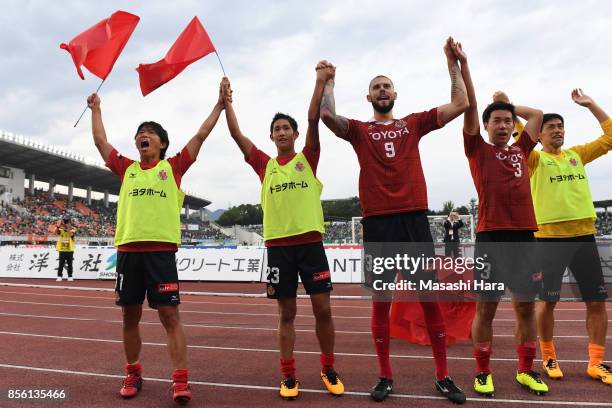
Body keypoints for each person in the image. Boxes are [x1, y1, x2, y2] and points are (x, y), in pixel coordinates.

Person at [320, 37, 469, 404]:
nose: (382, 90)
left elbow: (461, 103)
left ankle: (443, 376)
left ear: (395, 95)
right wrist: (329, 82)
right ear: (369, 98)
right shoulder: (359, 130)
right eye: (375, 87)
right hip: (379, 224)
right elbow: (327, 116)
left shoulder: (413, 124)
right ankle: (385, 375)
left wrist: (453, 64)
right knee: (381, 302)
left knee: (429, 300)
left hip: (413, 221)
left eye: (386, 85)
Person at [87, 78, 227, 405]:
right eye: (139, 132)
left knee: (170, 317)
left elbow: (201, 135)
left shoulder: (174, 168)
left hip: (161, 254)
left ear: (162, 143)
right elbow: (99, 140)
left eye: (149, 132)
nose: (143, 135)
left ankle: (180, 381)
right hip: (128, 254)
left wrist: (220, 105)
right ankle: (133, 371)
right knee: (129, 317)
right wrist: (96, 108)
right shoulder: (126, 169)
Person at [222, 62, 344, 400]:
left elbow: (313, 119)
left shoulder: (309, 157)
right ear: (271, 136)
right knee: (286, 313)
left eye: (286, 127)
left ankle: (328, 367)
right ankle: (288, 375)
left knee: (324, 311)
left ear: (293, 133)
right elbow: (236, 135)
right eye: (276, 128)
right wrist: (226, 102)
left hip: (310, 246)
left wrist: (321, 82)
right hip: (278, 249)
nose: (282, 132)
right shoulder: (265, 165)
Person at [454, 41, 548, 396]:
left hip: (525, 238)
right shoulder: (476, 149)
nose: (505, 124)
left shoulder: (522, 149)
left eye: (508, 120)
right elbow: (472, 106)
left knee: (525, 306)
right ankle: (482, 371)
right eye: (498, 120)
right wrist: (464, 64)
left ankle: (526, 370)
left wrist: (508, 102)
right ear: (486, 125)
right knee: (487, 309)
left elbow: (537, 114)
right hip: (491, 237)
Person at [512, 89, 611, 384]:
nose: (557, 131)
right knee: (548, 302)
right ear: (538, 134)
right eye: (551, 127)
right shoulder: (534, 160)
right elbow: (521, 139)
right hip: (548, 240)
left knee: (597, 303)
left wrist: (591, 104)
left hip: (584, 237)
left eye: (560, 126)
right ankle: (548, 355)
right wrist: (510, 105)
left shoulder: (576, 155)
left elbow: (609, 137)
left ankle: (596, 362)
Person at [55, 217, 76, 281]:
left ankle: (70, 276)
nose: (66, 223)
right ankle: (59, 276)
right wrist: (58, 226)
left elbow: (71, 235)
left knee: (70, 264)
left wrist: (68, 227)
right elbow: (56, 232)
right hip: (62, 249)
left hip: (70, 249)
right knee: (61, 264)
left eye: (67, 222)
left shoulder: (73, 229)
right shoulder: (61, 229)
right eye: (66, 222)